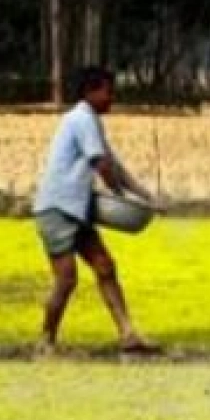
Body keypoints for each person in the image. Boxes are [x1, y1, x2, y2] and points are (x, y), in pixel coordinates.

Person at [33, 66, 161, 356]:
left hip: (78, 209)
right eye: (108, 90)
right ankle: (45, 340)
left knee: (105, 267)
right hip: (56, 209)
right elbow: (102, 166)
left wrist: (146, 198)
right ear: (90, 92)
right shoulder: (81, 119)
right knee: (66, 279)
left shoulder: (91, 122)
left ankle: (128, 334)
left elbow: (115, 166)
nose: (111, 97)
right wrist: (118, 193)